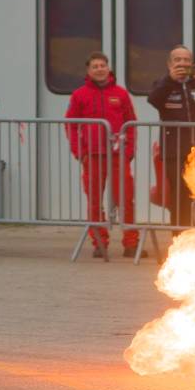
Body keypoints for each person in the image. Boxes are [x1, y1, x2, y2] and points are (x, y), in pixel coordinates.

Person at [65, 51, 141, 258]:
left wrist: (128, 151)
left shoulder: (121, 94)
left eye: (102, 65)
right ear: (88, 71)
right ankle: (99, 242)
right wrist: (80, 152)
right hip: (92, 157)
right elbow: (71, 125)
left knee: (125, 199)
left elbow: (131, 123)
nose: (99, 69)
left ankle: (131, 243)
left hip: (118, 156)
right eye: (95, 66)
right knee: (94, 201)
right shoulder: (79, 95)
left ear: (108, 68)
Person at [147, 45, 195, 229]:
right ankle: (180, 237)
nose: (182, 63)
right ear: (169, 64)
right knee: (180, 198)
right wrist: (170, 80)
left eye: (186, 60)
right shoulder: (162, 83)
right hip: (174, 153)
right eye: (178, 60)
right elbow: (154, 100)